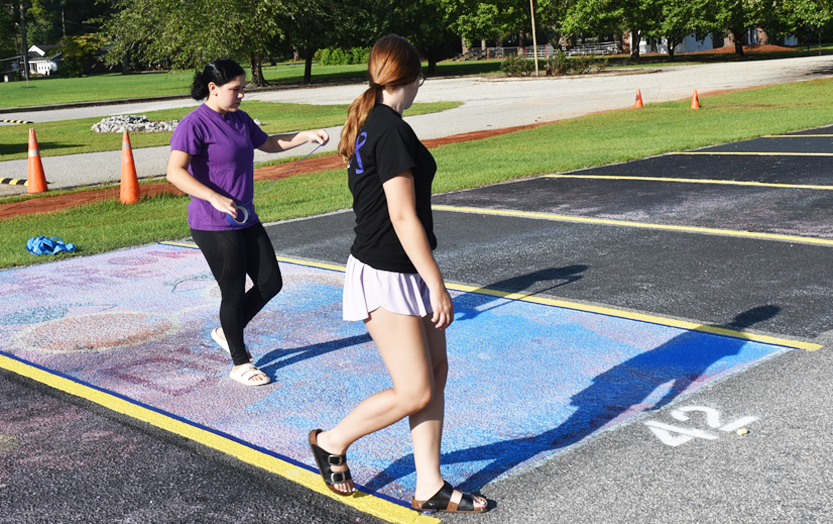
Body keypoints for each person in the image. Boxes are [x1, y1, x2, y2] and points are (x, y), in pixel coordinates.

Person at [308, 35, 487, 514]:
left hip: (403, 266)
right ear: (413, 77)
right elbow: (403, 216)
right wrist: (438, 285)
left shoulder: (376, 121)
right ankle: (331, 441)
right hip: (385, 271)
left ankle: (430, 484)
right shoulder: (388, 129)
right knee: (415, 389)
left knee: (436, 372)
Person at [167, 58, 328, 386]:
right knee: (233, 292)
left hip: (244, 217)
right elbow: (174, 172)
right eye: (235, 89)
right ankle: (240, 363)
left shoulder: (240, 119)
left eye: (243, 89)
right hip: (211, 223)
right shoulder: (193, 124)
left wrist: (304, 135)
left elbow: (268, 143)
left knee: (271, 283)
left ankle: (226, 330)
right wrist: (212, 197)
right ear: (213, 88)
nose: (241, 95)